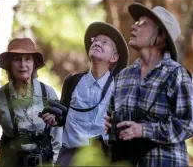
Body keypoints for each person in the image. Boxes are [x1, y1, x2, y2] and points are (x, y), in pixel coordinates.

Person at [105, 2, 193, 167]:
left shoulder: (176, 74)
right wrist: (109, 124)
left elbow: (190, 123)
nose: (133, 27)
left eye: (142, 24)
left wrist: (143, 130)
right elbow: (110, 116)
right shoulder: (122, 76)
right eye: (136, 22)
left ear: (160, 36)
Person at [42, 22, 129, 166]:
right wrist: (54, 118)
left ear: (114, 58)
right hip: (68, 157)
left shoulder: (119, 88)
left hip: (101, 158)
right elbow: (63, 116)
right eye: (95, 40)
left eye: (105, 42)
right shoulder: (72, 81)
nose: (97, 43)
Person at [0, 38, 63, 167]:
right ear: (9, 65)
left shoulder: (47, 93)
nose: (23, 65)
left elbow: (58, 136)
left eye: (27, 59)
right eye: (17, 59)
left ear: (34, 63)